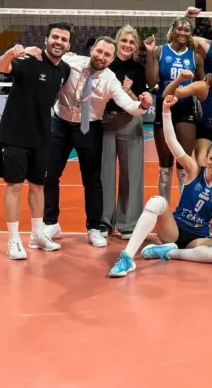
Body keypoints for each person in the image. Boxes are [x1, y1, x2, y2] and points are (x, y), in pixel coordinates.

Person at [108, 95, 212, 282]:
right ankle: (127, 257)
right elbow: (172, 143)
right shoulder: (194, 170)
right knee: (157, 202)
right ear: (206, 159)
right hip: (174, 230)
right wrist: (166, 112)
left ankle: (170, 253)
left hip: (198, 237)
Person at [42, 37, 152, 248]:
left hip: (88, 127)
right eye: (99, 51)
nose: (101, 57)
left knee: (93, 180)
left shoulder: (111, 80)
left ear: (111, 59)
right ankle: (50, 222)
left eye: (107, 55)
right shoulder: (71, 61)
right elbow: (48, 57)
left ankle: (94, 227)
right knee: (50, 174)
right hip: (61, 123)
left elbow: (128, 105)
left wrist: (143, 106)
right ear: (92, 49)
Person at [0, 24, 72, 259]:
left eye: (64, 39)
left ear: (69, 45)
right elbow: (1, 67)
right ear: (46, 39)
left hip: (42, 136)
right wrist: (11, 52)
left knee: (38, 186)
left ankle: (38, 234)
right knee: (14, 186)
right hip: (15, 134)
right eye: (55, 37)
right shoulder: (29, 60)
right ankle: (13, 240)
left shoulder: (64, 69)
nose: (59, 42)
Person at [145, 17, 204, 203]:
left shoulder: (195, 57)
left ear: (190, 33)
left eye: (187, 30)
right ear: (173, 30)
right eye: (180, 29)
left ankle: (182, 208)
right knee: (165, 164)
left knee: (183, 163)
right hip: (164, 108)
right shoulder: (160, 51)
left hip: (185, 109)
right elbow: (152, 82)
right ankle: (164, 209)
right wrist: (149, 54)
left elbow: (203, 86)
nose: (183, 33)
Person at [101, 25, 149, 240]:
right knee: (104, 174)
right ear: (117, 41)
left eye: (132, 42)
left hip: (130, 121)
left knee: (132, 174)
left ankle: (129, 223)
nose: (127, 45)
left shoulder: (138, 69)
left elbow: (141, 101)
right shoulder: (105, 64)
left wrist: (128, 91)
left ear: (136, 46)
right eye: (124, 41)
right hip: (105, 121)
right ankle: (103, 223)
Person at [163, 55, 212, 170]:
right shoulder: (204, 86)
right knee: (204, 167)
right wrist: (180, 79)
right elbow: (167, 94)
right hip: (204, 131)